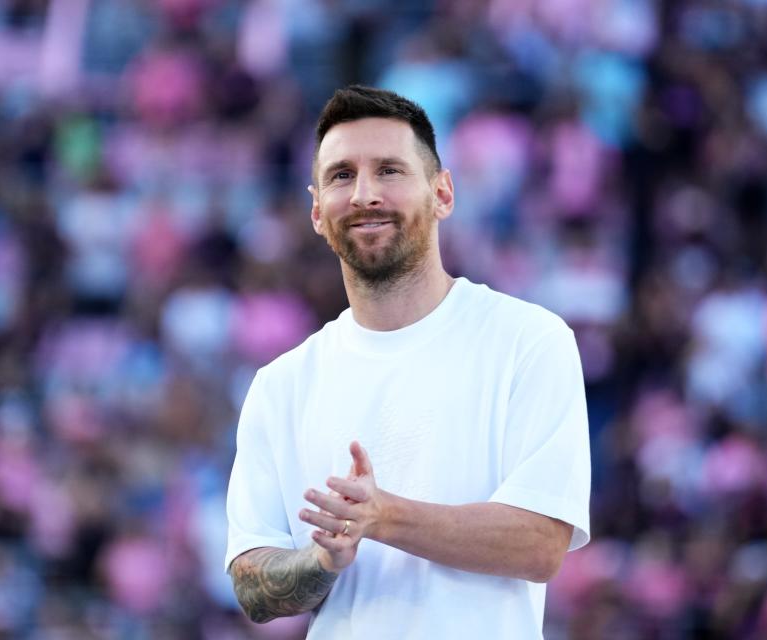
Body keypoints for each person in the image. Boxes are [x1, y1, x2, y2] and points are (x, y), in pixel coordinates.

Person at [225, 85, 591, 639]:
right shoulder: (281, 384)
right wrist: (323, 560)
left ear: (442, 193)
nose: (365, 193)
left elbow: (540, 543)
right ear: (317, 212)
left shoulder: (528, 340)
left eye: (390, 170)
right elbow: (253, 584)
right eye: (342, 175)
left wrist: (382, 515)